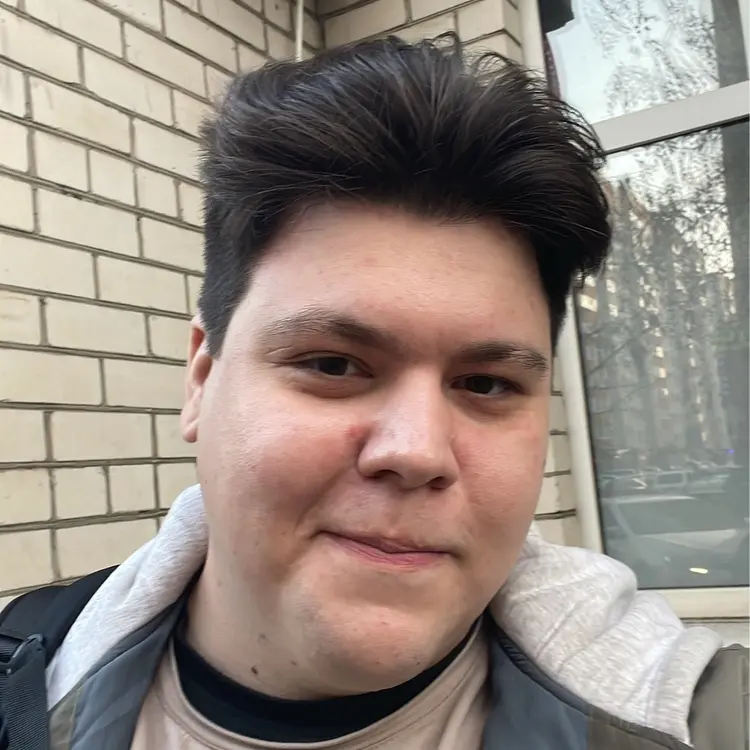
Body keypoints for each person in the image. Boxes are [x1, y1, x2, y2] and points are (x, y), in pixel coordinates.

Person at [1, 33, 746, 750]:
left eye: (485, 383)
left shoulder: (705, 719)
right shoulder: (22, 679)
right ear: (202, 378)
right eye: (333, 365)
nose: (416, 452)